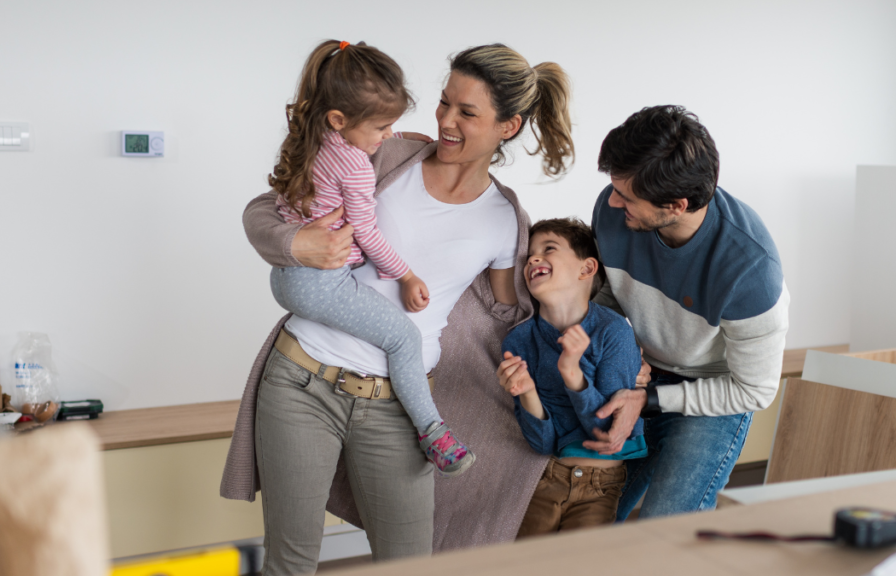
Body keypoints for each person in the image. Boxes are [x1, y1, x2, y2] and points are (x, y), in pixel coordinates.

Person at [221, 43, 574, 571]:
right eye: (444, 102)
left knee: (409, 563)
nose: (445, 121)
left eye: (467, 112)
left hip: (399, 407)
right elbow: (263, 210)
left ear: (508, 126)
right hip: (301, 380)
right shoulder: (384, 155)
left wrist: (588, 336)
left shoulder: (505, 220)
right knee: (290, 562)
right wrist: (299, 245)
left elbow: (509, 317)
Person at [267, 40, 472, 476]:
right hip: (319, 282)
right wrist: (406, 275)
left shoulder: (312, 132)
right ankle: (433, 432)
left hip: (288, 273)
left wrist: (395, 136)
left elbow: (356, 138)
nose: (384, 137)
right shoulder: (357, 166)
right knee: (403, 339)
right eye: (381, 128)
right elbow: (366, 231)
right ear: (341, 119)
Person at [585, 105, 789, 520]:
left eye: (626, 196)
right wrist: (616, 357)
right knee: (587, 514)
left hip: (716, 389)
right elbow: (604, 302)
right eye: (614, 187)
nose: (611, 200)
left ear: (676, 205)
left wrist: (649, 400)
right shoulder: (613, 212)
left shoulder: (749, 270)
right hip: (641, 374)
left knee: (665, 530)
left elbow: (755, 391)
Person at [497, 218, 646, 537]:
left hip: (600, 486)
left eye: (548, 249)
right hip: (545, 478)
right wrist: (528, 394)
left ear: (586, 268)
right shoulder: (519, 341)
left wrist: (572, 373)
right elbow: (544, 443)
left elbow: (607, 433)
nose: (533, 259)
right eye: (529, 256)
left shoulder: (613, 331)